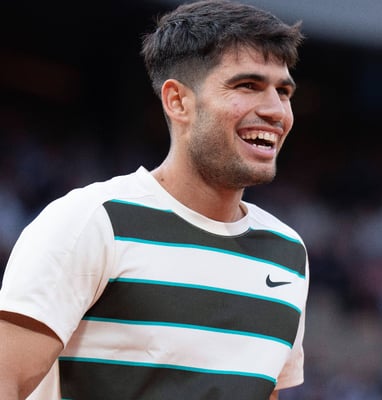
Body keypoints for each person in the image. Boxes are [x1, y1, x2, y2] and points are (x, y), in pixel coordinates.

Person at [0, 1, 308, 399]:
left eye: (283, 91)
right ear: (178, 101)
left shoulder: (288, 252)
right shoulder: (92, 222)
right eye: (248, 86)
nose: (275, 110)